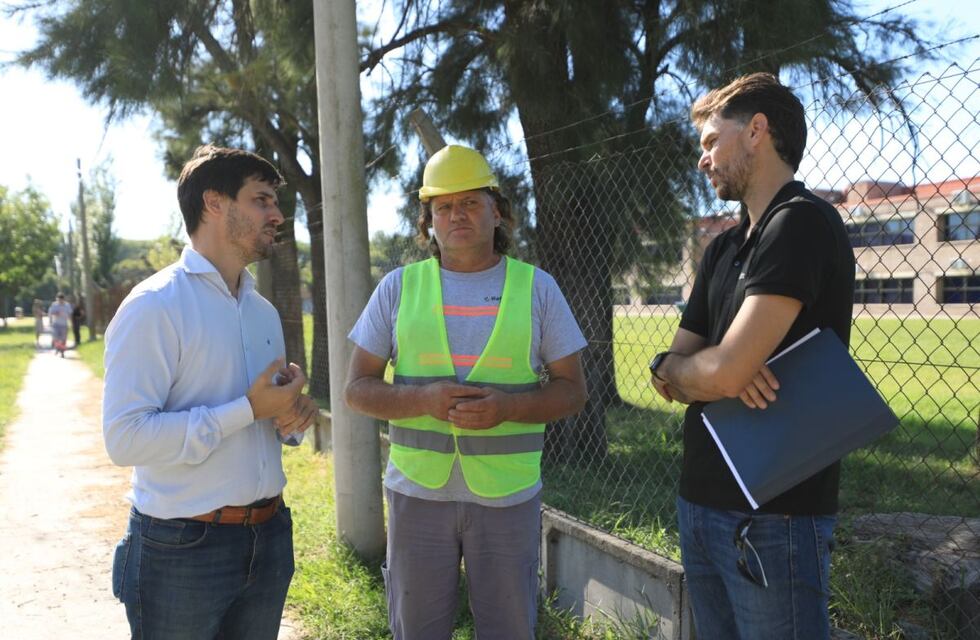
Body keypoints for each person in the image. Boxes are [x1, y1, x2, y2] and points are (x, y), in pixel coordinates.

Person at [345, 144, 588, 640]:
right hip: (416, 494)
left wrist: (509, 409)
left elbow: (573, 391)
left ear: (497, 212)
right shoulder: (397, 288)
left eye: (471, 202)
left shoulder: (537, 288)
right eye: (444, 206)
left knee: (509, 630)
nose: (457, 215)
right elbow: (356, 389)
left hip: (507, 497)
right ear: (429, 221)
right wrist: (423, 400)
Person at [648, 73, 855, 639]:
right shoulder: (723, 247)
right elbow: (676, 369)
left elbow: (722, 370)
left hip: (774, 514)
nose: (703, 160)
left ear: (757, 131)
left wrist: (705, 371)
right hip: (698, 502)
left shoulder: (801, 223)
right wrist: (687, 370)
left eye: (712, 142)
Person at [102, 145, 318, 640]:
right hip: (181, 548)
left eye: (275, 203)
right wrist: (247, 409)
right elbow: (124, 439)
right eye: (261, 200)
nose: (277, 215)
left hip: (270, 536)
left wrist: (291, 416)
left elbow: (267, 421)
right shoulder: (154, 306)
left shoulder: (262, 311)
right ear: (214, 203)